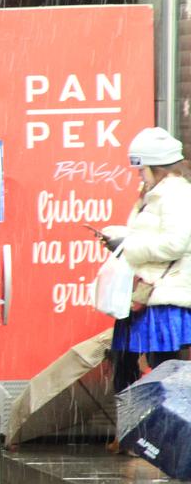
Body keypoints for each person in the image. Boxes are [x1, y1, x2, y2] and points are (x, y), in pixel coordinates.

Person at [101, 127, 191, 393]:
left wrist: (127, 246)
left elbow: (175, 244)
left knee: (162, 377)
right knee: (130, 371)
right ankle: (134, 429)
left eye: (142, 169)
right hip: (147, 296)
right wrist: (121, 237)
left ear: (157, 168)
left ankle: (157, 432)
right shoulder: (154, 195)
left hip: (164, 298)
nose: (139, 175)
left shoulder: (176, 196)